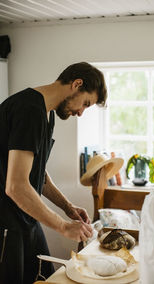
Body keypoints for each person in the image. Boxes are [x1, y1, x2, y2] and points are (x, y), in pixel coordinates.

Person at [0, 62, 107, 284]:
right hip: (5, 222)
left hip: (25, 217)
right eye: (85, 103)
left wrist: (68, 208)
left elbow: (38, 174)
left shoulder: (46, 114)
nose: (80, 112)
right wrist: (63, 226)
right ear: (76, 84)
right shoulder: (28, 109)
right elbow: (16, 186)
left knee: (47, 277)